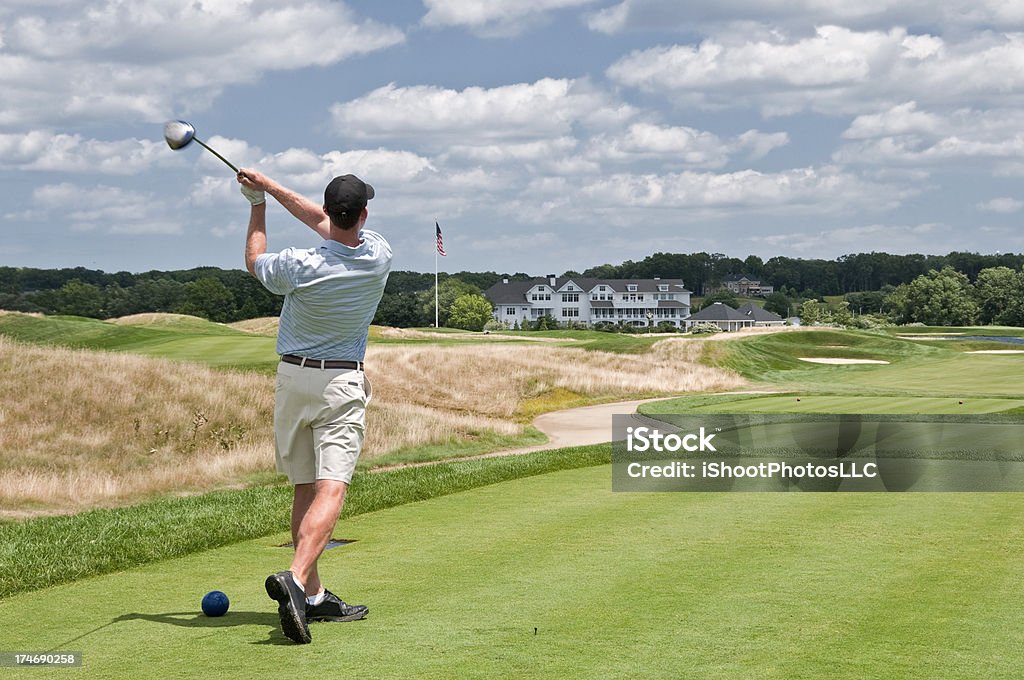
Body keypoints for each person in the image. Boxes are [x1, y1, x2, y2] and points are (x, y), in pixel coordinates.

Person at [237, 168, 392, 644]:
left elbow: (254, 259)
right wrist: (269, 189)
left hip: (292, 379)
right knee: (332, 489)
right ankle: (297, 577)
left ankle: (316, 595)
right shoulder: (378, 255)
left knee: (305, 487)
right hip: (340, 382)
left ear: (330, 212)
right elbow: (329, 225)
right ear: (363, 214)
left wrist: (257, 201)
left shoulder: (298, 265)